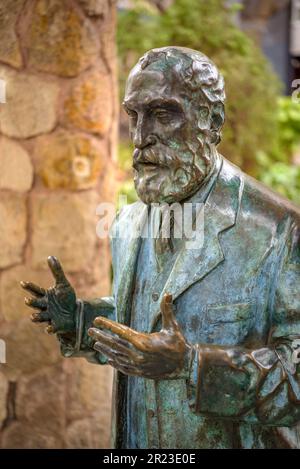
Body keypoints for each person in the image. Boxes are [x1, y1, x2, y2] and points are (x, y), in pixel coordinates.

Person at [22, 47, 300, 449]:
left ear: (212, 122)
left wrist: (193, 366)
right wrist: (82, 322)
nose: (139, 137)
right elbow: (150, 322)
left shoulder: (279, 231)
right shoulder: (129, 222)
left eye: (163, 114)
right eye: (133, 115)